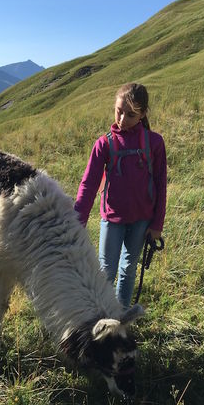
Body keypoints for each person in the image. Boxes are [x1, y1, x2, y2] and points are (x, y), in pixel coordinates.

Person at [75, 83, 167, 307]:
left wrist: (157, 224)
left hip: (141, 219)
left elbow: (160, 184)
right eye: (119, 111)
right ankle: (100, 315)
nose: (122, 119)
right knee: (106, 270)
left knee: (129, 268)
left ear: (143, 114)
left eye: (131, 114)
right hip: (112, 219)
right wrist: (77, 222)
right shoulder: (104, 144)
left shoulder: (155, 143)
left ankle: (121, 316)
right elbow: (88, 184)